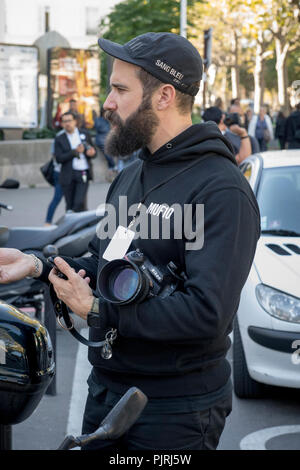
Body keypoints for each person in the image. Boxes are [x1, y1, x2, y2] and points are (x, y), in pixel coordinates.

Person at [0, 32, 260, 451]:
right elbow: (107, 265)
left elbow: (206, 313)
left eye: (120, 89)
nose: (106, 102)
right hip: (106, 392)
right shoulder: (131, 176)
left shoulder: (221, 189)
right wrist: (38, 265)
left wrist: (100, 311)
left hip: (174, 411)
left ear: (164, 96)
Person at [54, 111, 97, 212]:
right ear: (62, 124)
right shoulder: (60, 138)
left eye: (69, 120)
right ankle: (72, 225)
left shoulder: (84, 134)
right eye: (64, 121)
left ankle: (81, 223)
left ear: (75, 121)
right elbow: (59, 158)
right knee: (70, 205)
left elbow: (93, 152)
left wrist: (91, 153)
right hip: (68, 175)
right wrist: (75, 152)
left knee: (79, 202)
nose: (67, 124)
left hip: (83, 172)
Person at [44, 135, 64, 225]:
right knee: (57, 198)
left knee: (74, 201)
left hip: (71, 173)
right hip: (60, 172)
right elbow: (55, 156)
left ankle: (48, 222)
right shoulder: (60, 137)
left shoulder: (77, 134)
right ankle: (47, 222)